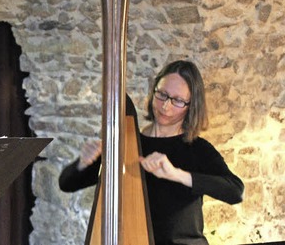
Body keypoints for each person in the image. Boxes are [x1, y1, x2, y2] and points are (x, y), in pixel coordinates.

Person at [59, 60, 244, 245]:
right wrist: (83, 162)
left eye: (178, 100)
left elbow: (235, 191)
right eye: (162, 94)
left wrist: (176, 174)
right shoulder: (127, 144)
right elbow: (66, 184)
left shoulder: (197, 149)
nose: (165, 106)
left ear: (191, 105)